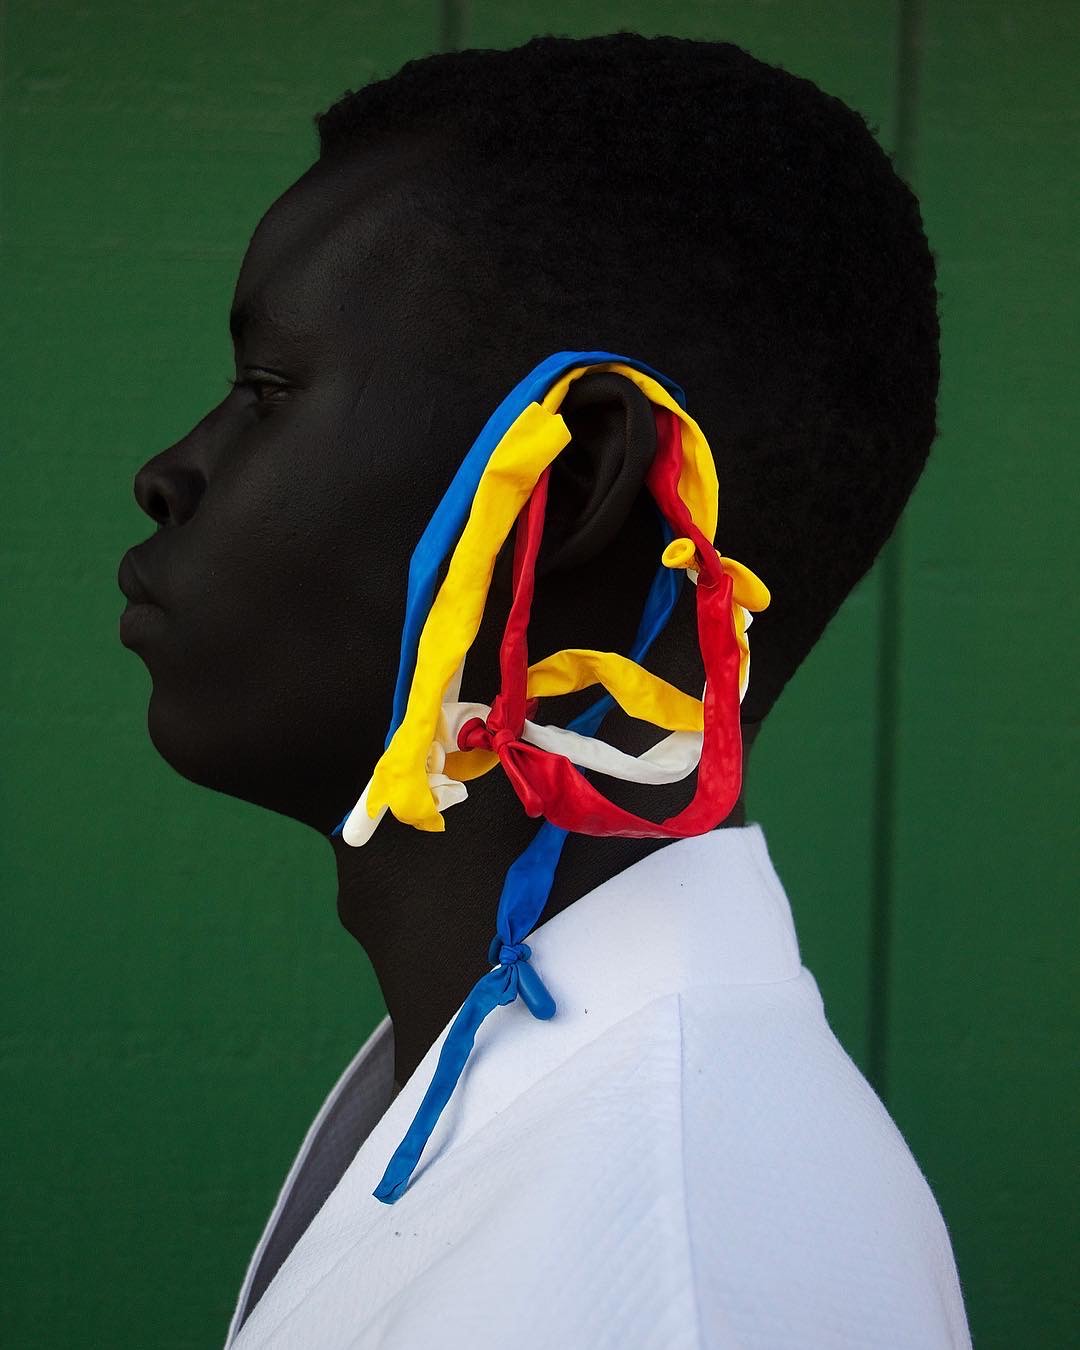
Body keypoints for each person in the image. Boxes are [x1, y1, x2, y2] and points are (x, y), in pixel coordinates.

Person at [117, 31, 972, 1350]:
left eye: (268, 389)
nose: (171, 470)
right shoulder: (547, 1110)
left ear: (564, 492)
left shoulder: (679, 1269)